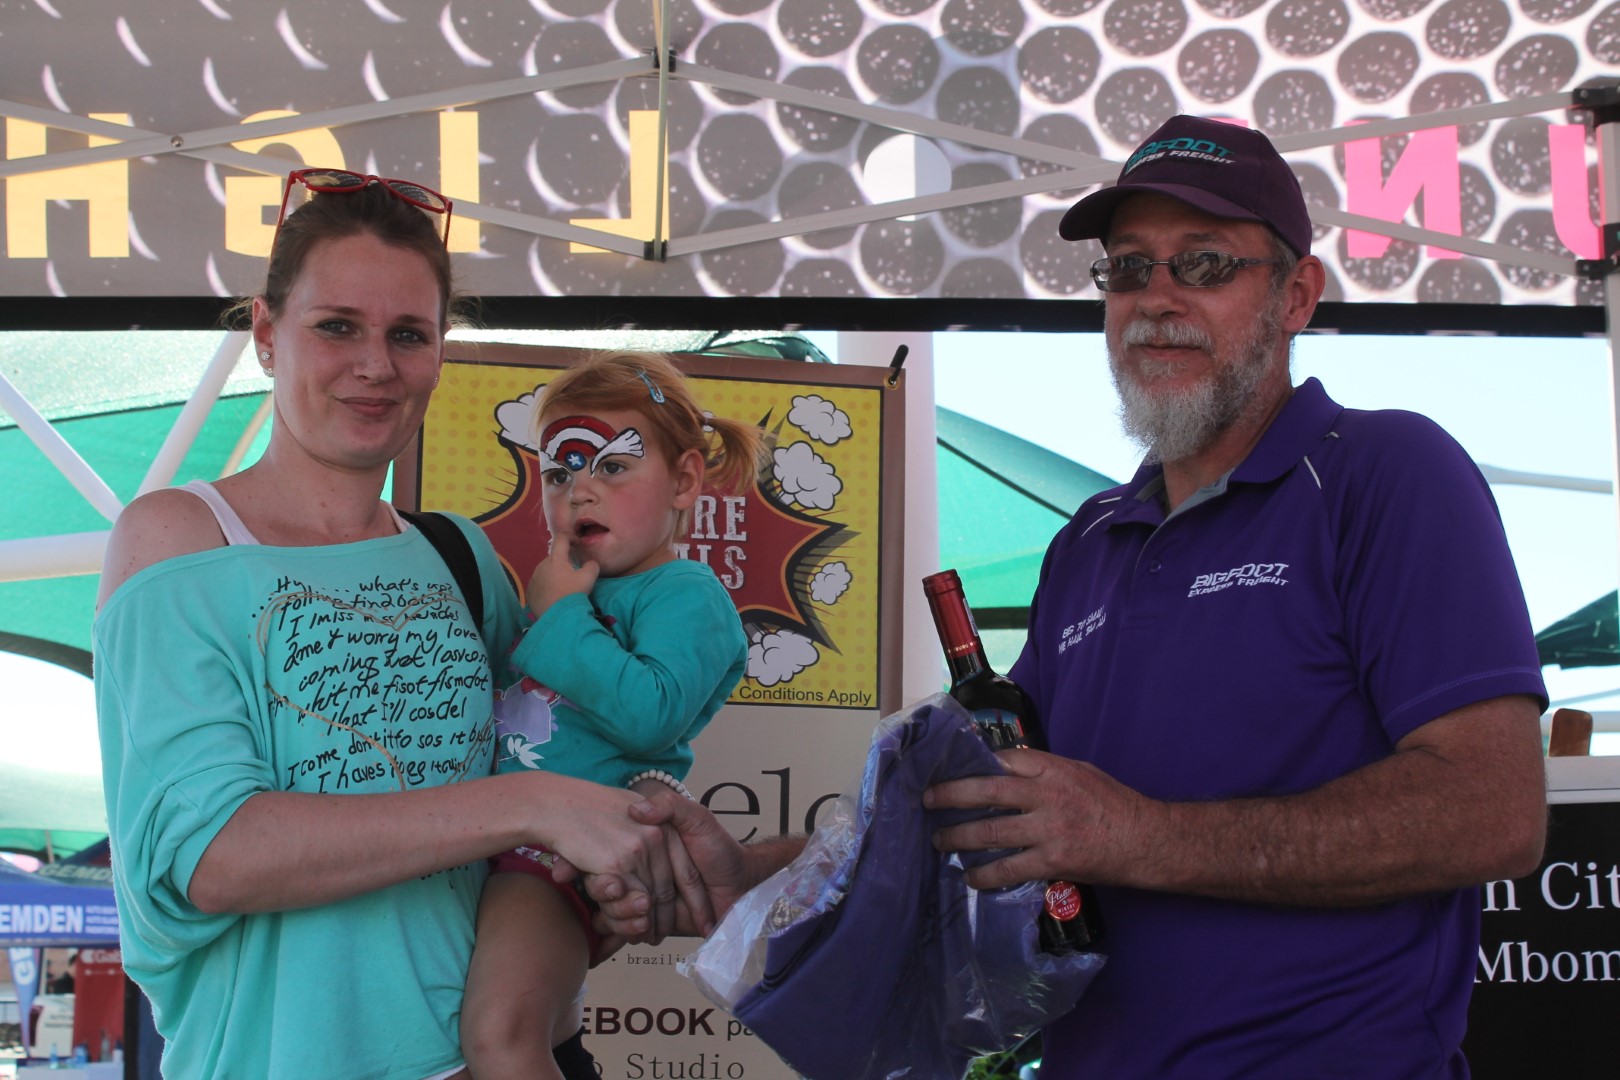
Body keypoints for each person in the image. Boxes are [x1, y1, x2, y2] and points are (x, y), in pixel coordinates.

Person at [586, 115, 1551, 1079]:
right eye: (1128, 269)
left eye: (1205, 264)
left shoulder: (1383, 472)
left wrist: (1143, 838)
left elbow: (1492, 810)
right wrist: (747, 873)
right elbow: (990, 819)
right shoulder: (1089, 541)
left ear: (1295, 294)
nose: (1157, 298)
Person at [94, 170, 690, 1080]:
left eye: (408, 334)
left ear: (440, 353)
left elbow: (555, 755)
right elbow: (214, 857)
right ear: (265, 333)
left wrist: (620, 848)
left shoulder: (460, 556)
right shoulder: (179, 536)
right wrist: (537, 807)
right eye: (337, 326)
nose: (375, 365)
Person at [459, 351, 763, 1079]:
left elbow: (650, 714)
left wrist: (561, 613)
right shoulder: (569, 588)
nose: (580, 492)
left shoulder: (687, 593)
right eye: (559, 474)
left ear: (685, 481)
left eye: (613, 467)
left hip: (559, 855)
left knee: (500, 1036)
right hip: (494, 837)